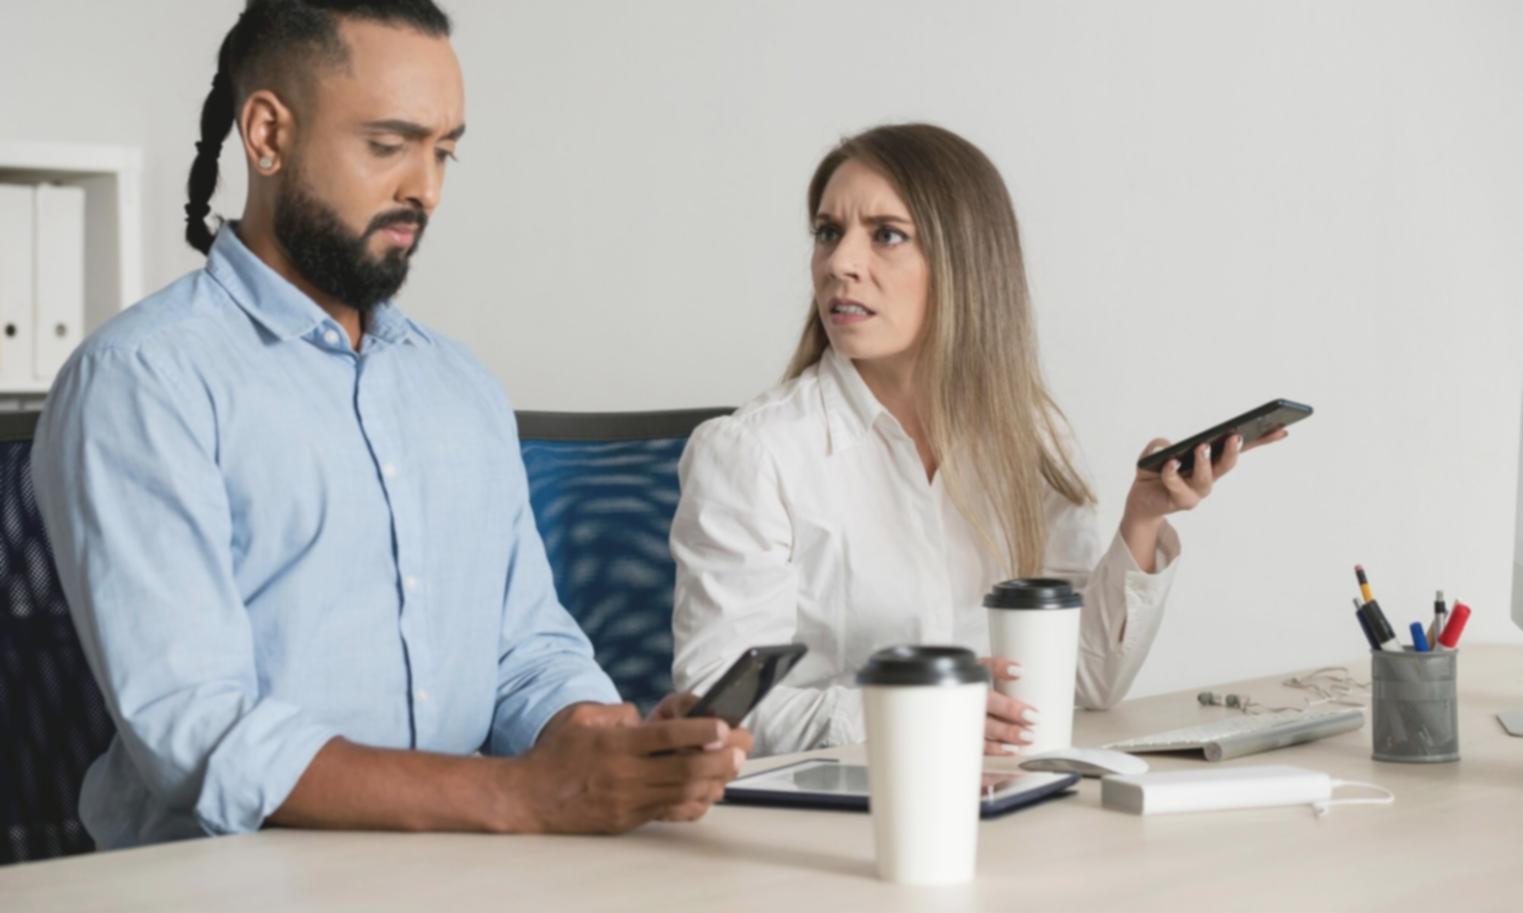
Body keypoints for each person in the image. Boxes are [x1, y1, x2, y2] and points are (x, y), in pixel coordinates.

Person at [33, 0, 748, 850]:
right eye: (388, 145)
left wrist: (598, 737)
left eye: (443, 150)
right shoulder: (145, 379)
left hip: (457, 863)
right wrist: (523, 795)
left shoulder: (459, 387)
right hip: (226, 881)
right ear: (266, 134)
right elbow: (201, 728)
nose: (427, 187)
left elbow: (523, 650)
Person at [670, 123, 1286, 757]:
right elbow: (720, 711)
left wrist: (1142, 521)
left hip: (1006, 794)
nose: (839, 263)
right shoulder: (751, 454)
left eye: (886, 235)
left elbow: (1084, 681)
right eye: (828, 233)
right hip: (835, 815)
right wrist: (920, 710)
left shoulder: (1031, 437)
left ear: (965, 261)